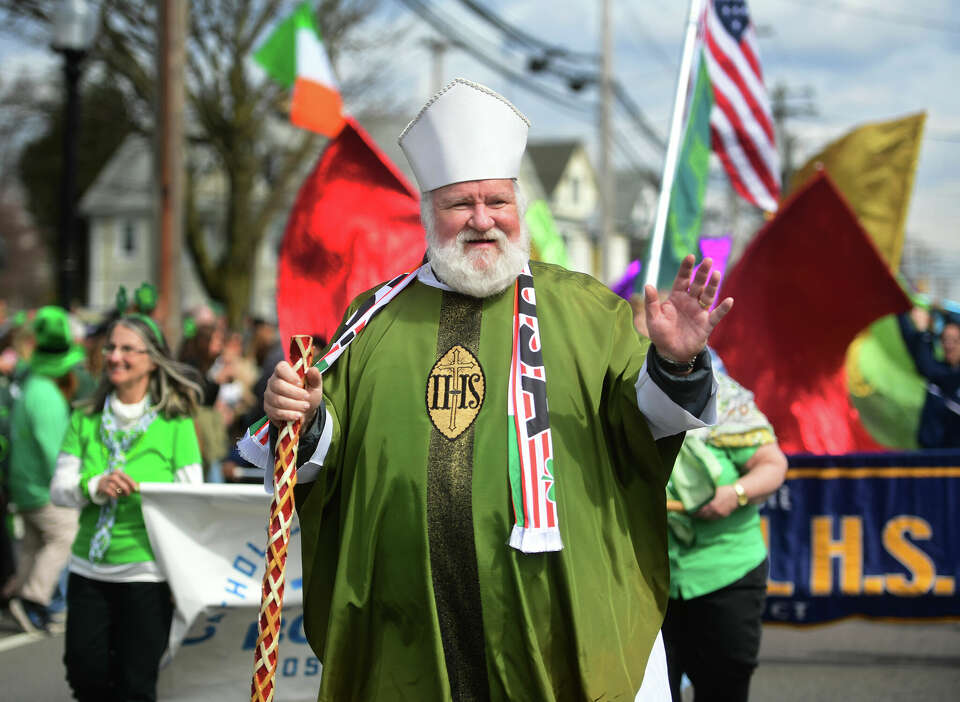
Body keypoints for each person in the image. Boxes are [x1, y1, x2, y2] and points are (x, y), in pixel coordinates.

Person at [243, 78, 733, 701]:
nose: (481, 220)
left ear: (518, 206)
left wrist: (675, 363)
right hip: (408, 631)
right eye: (459, 205)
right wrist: (304, 414)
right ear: (429, 212)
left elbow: (647, 421)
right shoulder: (373, 318)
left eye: (496, 201)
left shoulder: (585, 309)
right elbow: (324, 440)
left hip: (557, 628)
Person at [49, 314, 203, 701]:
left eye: (126, 349)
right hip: (89, 568)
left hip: (147, 574)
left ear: (151, 359)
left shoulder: (175, 421)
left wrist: (148, 492)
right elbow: (59, 490)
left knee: (137, 685)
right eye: (110, 348)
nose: (114, 357)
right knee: (86, 675)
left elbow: (192, 497)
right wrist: (95, 485)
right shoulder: (85, 417)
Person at [660, 358, 788, 702]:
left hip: (727, 574)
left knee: (723, 689)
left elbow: (772, 465)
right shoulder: (626, 395)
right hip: (647, 576)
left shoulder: (726, 399)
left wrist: (735, 494)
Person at [3, 306, 85, 632]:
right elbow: (57, 453)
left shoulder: (31, 387)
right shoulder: (48, 396)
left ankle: (13, 594)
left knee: (34, 544)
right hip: (42, 488)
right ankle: (32, 598)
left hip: (24, 485)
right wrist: (77, 486)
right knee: (66, 534)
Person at [897, 306, 960, 448]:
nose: (949, 345)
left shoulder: (948, 375)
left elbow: (928, 367)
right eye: (945, 340)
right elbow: (914, 347)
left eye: (955, 341)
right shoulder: (940, 368)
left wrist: (924, 332)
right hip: (931, 455)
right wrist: (899, 309)